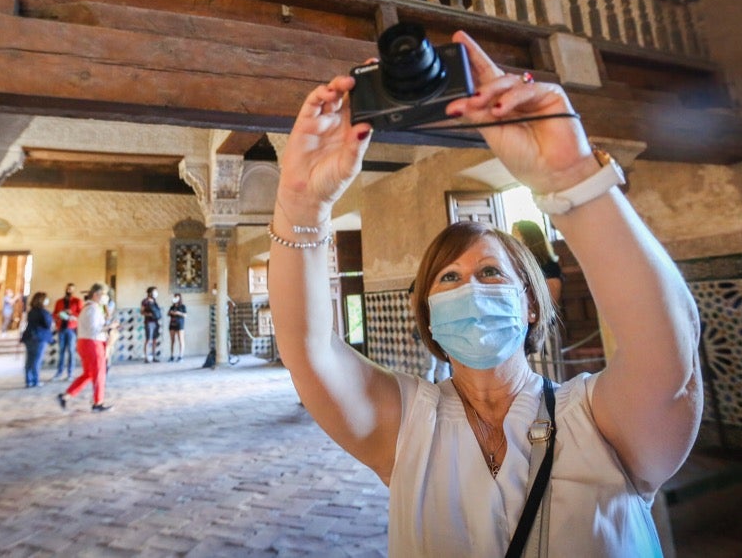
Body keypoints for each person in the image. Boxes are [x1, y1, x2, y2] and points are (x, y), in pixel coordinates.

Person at [267, 30, 701, 555]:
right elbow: (308, 349)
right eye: (448, 278)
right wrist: (301, 204)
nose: (469, 285)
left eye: (492, 273)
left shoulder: (600, 420)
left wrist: (572, 178)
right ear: (428, 314)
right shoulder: (404, 426)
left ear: (531, 302)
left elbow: (667, 357)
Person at [513, 219, 565, 379]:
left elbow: (548, 303)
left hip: (541, 329)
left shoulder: (548, 266)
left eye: (516, 235)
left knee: (546, 378)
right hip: (522, 330)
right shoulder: (520, 265)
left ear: (527, 238)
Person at [57, 283, 114, 412]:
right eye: (104, 294)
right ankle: (97, 402)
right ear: (95, 295)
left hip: (87, 342)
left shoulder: (94, 308)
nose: (105, 297)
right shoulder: (92, 309)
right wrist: (111, 327)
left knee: (89, 374)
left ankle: (66, 396)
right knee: (99, 373)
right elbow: (95, 329)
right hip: (92, 343)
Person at [20, 292, 55, 388]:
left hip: (29, 337)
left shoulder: (31, 311)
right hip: (39, 338)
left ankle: (28, 380)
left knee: (29, 360)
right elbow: (48, 325)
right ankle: (35, 380)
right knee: (37, 361)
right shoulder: (43, 312)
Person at [50, 283, 82, 382]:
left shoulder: (77, 301)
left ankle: (70, 373)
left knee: (71, 351)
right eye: (68, 289)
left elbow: (81, 314)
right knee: (61, 351)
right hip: (61, 328)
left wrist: (71, 313)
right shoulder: (59, 302)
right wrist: (59, 315)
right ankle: (59, 372)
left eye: (71, 289)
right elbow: (54, 314)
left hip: (71, 328)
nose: (69, 291)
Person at [141, 286, 163, 362]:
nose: (156, 293)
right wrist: (149, 314)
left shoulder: (154, 301)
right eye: (154, 291)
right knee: (148, 340)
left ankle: (153, 357)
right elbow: (142, 312)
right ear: (150, 292)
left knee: (154, 340)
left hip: (156, 322)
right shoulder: (145, 301)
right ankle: (146, 357)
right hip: (149, 322)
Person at [167, 293, 186, 362]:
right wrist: (171, 312)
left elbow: (185, 315)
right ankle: (172, 356)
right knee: (172, 340)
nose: (176, 298)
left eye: (177, 297)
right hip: (172, 324)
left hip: (180, 324)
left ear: (180, 298)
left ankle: (181, 356)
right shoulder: (172, 307)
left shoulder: (183, 306)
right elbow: (168, 313)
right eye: (175, 297)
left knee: (181, 340)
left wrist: (178, 313)